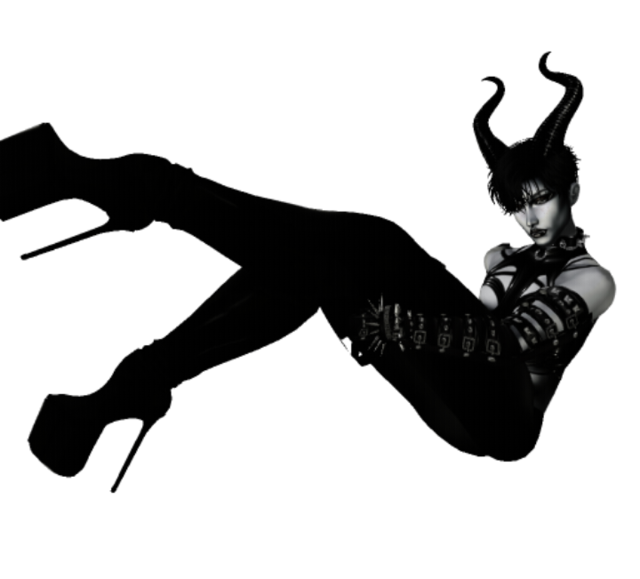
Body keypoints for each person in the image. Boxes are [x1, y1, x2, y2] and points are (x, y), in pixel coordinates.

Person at [0, 53, 615, 492]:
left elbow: (508, 343)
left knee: (374, 242)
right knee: (317, 267)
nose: (530, 216)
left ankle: (144, 186)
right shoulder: (500, 260)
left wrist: (398, 323)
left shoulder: (592, 279)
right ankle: (134, 385)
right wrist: (389, 317)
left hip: (505, 421)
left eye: (542, 199)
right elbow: (455, 341)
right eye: (518, 204)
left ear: (572, 192)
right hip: (451, 393)